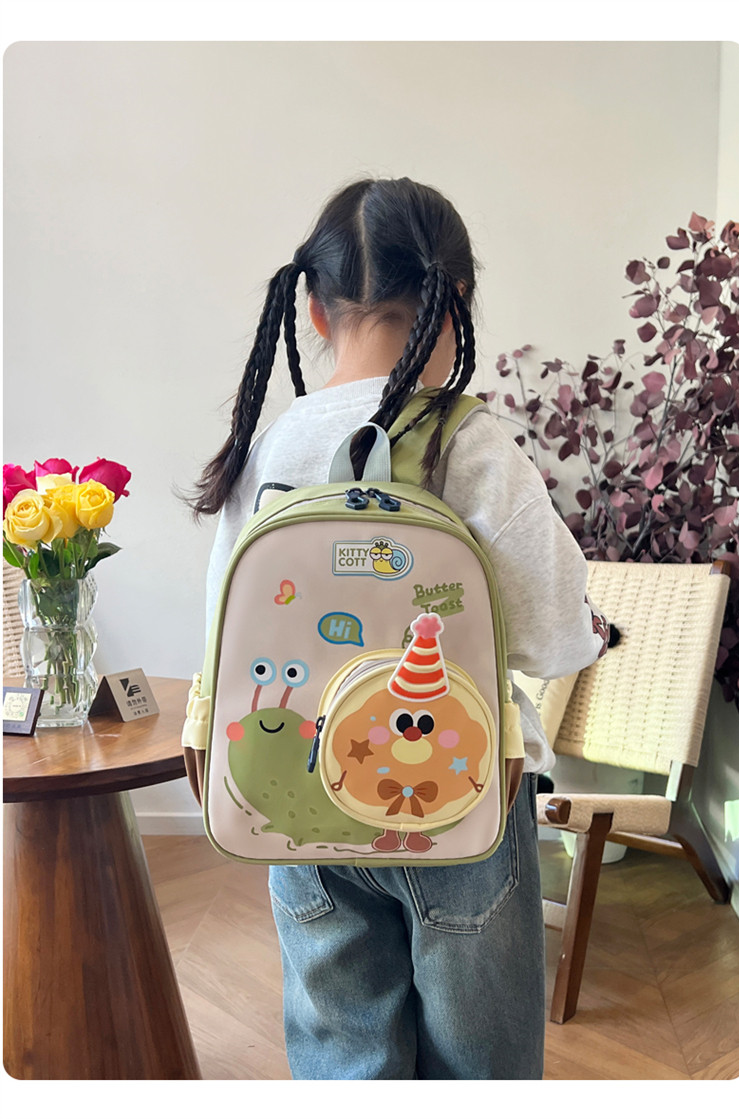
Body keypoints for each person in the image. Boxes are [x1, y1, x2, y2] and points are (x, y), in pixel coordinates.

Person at [191, 177, 609, 1080]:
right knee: (480, 1059)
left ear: (311, 308)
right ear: (454, 303)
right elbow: (552, 633)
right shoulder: (470, 443)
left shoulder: (270, 449)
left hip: (299, 802)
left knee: (344, 1050)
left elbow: (226, 628)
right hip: (460, 797)